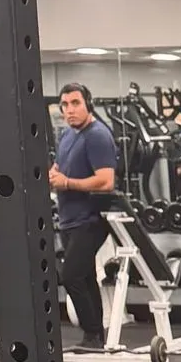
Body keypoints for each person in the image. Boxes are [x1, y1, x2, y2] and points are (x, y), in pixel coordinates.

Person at [48, 83, 119, 346]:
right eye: (65, 105)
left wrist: (67, 183)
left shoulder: (98, 135)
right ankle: (95, 336)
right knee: (86, 276)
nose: (69, 110)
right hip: (69, 217)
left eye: (75, 103)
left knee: (71, 276)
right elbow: (58, 168)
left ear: (88, 103)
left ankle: (92, 332)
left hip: (91, 219)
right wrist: (50, 176)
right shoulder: (67, 136)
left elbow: (106, 181)